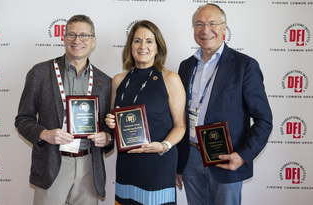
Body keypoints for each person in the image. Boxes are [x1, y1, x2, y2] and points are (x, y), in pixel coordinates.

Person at [176, 3, 273, 205]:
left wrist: (243, 156)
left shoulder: (245, 66)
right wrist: (178, 163)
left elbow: (264, 119)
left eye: (212, 23)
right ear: (193, 30)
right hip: (191, 157)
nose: (205, 30)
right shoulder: (185, 66)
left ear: (224, 29)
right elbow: (179, 116)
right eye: (199, 24)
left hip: (226, 159)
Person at [15, 14, 113, 205]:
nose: (77, 41)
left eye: (84, 36)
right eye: (72, 35)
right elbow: (22, 120)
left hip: (89, 166)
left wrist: (107, 137)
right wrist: (44, 133)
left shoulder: (105, 82)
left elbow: (109, 127)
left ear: (93, 41)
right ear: (64, 38)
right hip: (53, 163)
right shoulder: (40, 73)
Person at [105, 20, 186, 205]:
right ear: (130, 46)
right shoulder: (118, 80)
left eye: (149, 41)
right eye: (137, 41)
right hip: (127, 165)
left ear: (158, 48)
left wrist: (164, 146)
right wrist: (111, 123)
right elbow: (114, 124)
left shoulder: (170, 78)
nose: (143, 46)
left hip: (159, 162)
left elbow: (180, 126)